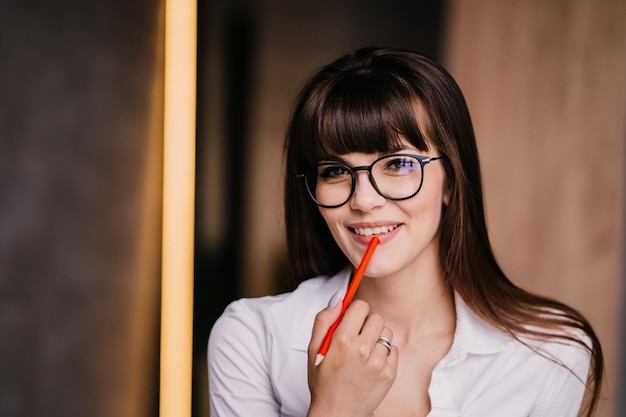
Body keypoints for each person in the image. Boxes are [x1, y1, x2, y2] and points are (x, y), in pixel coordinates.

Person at [207, 46, 603, 417]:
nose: (363, 200)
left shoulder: (550, 352)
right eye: (334, 171)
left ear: (450, 182)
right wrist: (334, 406)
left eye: (397, 164)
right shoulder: (251, 339)